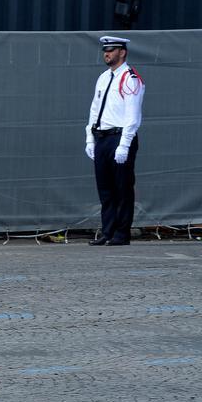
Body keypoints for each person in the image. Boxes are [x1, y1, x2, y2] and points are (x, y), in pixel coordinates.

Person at [85, 35, 145, 246]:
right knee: (105, 189)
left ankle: (121, 233)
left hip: (120, 137)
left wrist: (124, 144)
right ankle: (107, 231)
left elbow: (132, 115)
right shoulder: (103, 77)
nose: (107, 54)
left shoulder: (130, 78)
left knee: (122, 188)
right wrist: (89, 138)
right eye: (105, 51)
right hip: (102, 137)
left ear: (122, 52)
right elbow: (95, 109)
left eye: (111, 50)